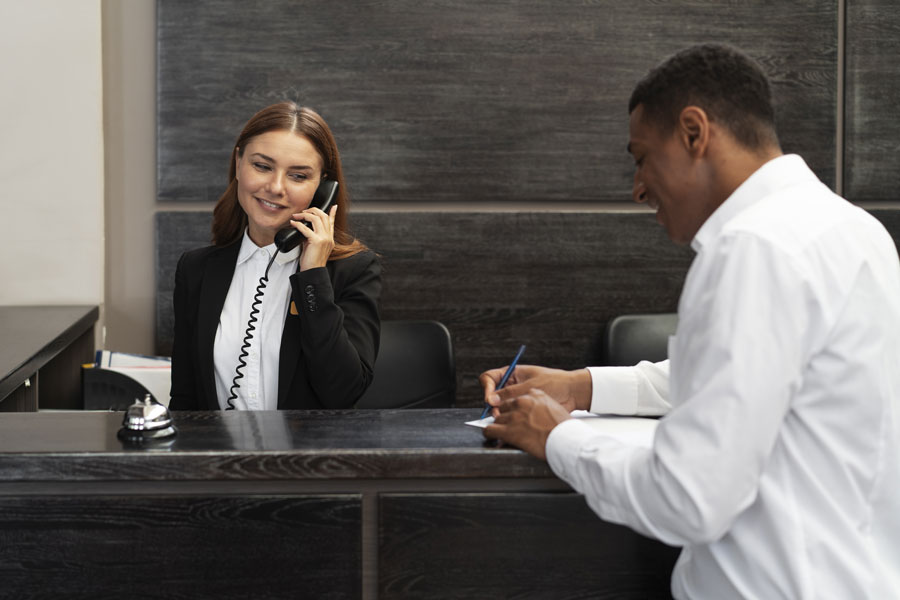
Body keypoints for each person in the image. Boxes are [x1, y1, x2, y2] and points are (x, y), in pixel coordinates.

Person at [481, 44, 900, 598]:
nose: (637, 188)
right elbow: (758, 380)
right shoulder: (856, 230)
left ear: (694, 133)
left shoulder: (750, 248)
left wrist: (557, 437)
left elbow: (687, 498)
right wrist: (584, 386)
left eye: (641, 157)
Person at [170, 102, 381, 410]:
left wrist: (313, 278)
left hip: (308, 458)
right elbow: (185, 400)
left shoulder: (354, 271)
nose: (275, 187)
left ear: (323, 189)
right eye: (263, 166)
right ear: (239, 162)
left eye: (297, 176)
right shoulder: (196, 270)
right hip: (219, 456)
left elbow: (343, 393)